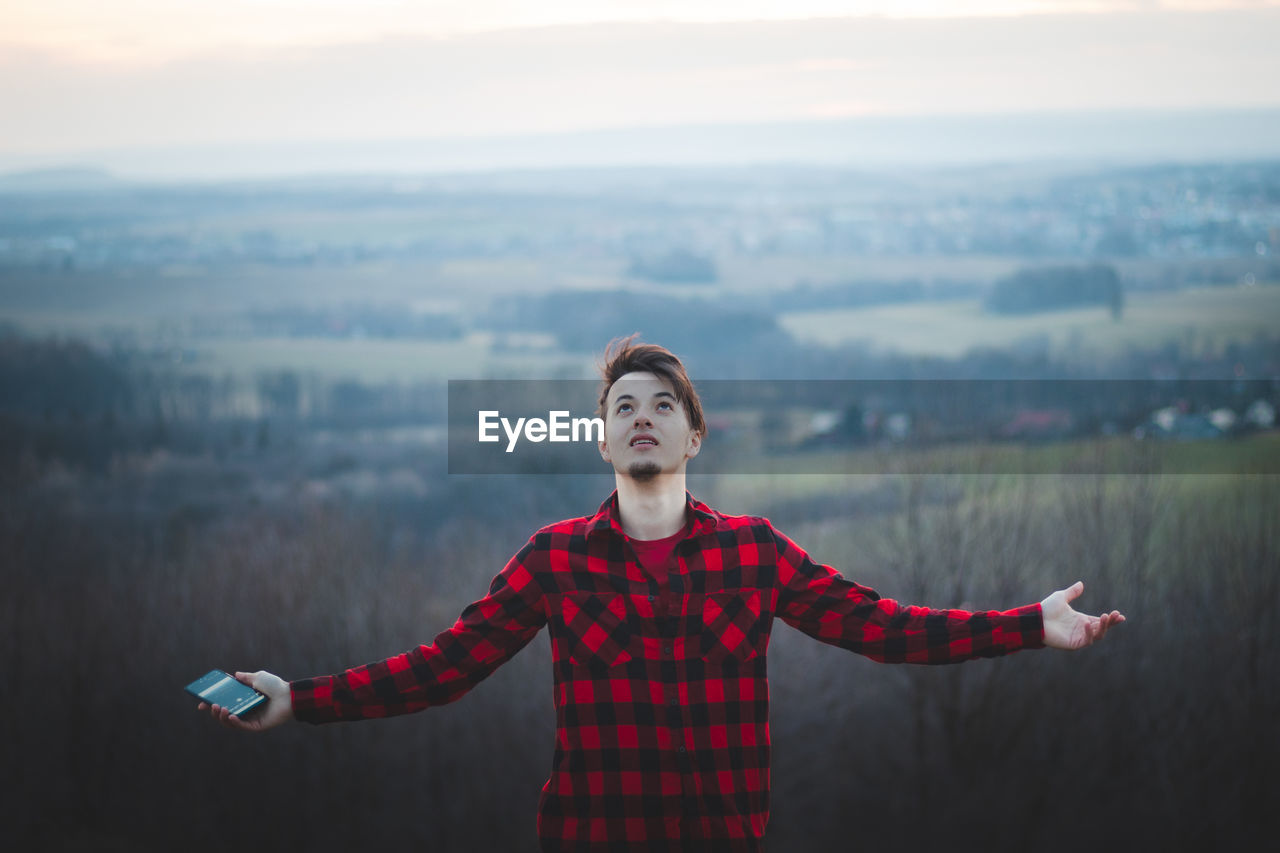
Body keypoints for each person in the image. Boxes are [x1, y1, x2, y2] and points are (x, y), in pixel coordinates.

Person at [200, 336, 1125, 852]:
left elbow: (886, 629)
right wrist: (300, 700)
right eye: (623, 410)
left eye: (663, 407)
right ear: (602, 443)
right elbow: (444, 669)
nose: (642, 419)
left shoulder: (756, 555)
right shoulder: (553, 559)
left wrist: (1030, 625)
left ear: (693, 438)